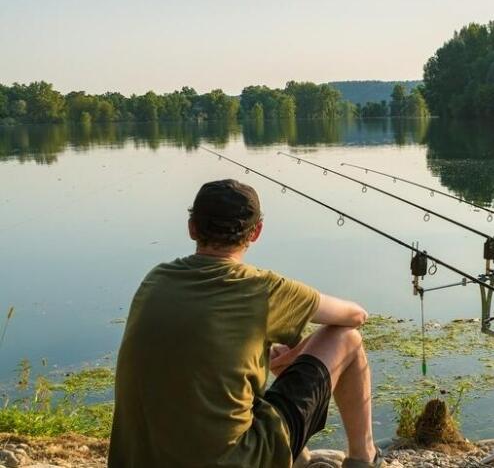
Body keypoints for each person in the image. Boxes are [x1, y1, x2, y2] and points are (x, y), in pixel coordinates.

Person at [109, 179, 384, 468]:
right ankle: (363, 458)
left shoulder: (156, 279)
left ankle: (300, 457)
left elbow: (196, 355)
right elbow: (355, 316)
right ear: (256, 232)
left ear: (191, 227)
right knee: (347, 338)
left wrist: (261, 350)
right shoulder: (261, 288)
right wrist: (295, 354)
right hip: (237, 461)